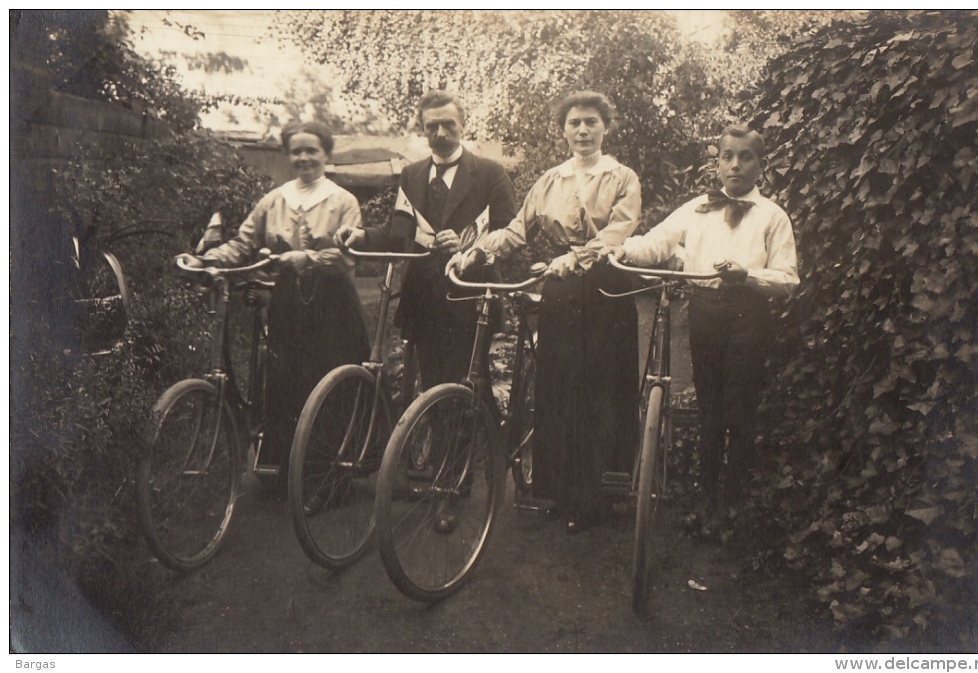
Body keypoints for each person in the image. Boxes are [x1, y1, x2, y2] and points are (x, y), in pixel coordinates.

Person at [450, 90, 642, 535]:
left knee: (599, 388)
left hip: (605, 288)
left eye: (591, 122)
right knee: (558, 385)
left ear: (605, 127)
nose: (582, 130)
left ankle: (600, 496)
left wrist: (578, 258)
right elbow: (518, 230)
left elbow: (620, 229)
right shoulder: (549, 180)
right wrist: (476, 252)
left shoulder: (622, 177)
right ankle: (558, 491)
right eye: (574, 122)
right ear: (563, 129)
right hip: (559, 290)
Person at [604, 123, 799, 533]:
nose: (735, 165)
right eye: (727, 156)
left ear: (761, 166)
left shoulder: (772, 216)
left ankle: (734, 507)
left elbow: (788, 279)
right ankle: (707, 502)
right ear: (717, 163)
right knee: (709, 409)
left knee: (740, 411)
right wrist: (623, 248)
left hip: (749, 316)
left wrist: (747, 275)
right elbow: (656, 241)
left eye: (746, 157)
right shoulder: (696, 209)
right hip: (705, 311)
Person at [338, 90, 516, 533]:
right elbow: (399, 233)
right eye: (431, 126)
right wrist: (362, 237)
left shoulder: (490, 174)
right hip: (423, 304)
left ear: (463, 125)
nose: (439, 133)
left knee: (456, 394)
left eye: (448, 125)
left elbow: (512, 236)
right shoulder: (412, 175)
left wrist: (471, 248)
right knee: (433, 392)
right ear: (423, 128)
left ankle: (451, 490)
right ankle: (466, 460)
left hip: (469, 300)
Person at [178, 120, 370, 482]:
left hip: (333, 304)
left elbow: (347, 258)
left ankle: (325, 477)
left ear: (326, 154)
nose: (303, 158)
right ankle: (286, 473)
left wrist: (309, 259)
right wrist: (205, 260)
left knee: (325, 382)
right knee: (284, 380)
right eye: (296, 151)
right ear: (287, 155)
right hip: (288, 303)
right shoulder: (275, 199)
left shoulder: (343, 200)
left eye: (311, 150)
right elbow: (242, 243)